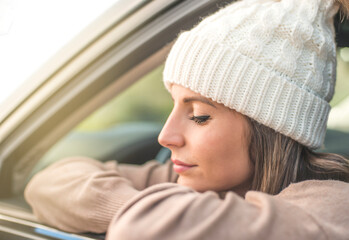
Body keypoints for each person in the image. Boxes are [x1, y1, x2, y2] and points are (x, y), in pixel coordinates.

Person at [25, 0, 349, 239]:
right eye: (174, 106)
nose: (166, 136)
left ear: (272, 128)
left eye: (198, 115)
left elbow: (142, 228)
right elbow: (49, 184)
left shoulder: (334, 209)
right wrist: (135, 204)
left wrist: (137, 208)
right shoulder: (196, 180)